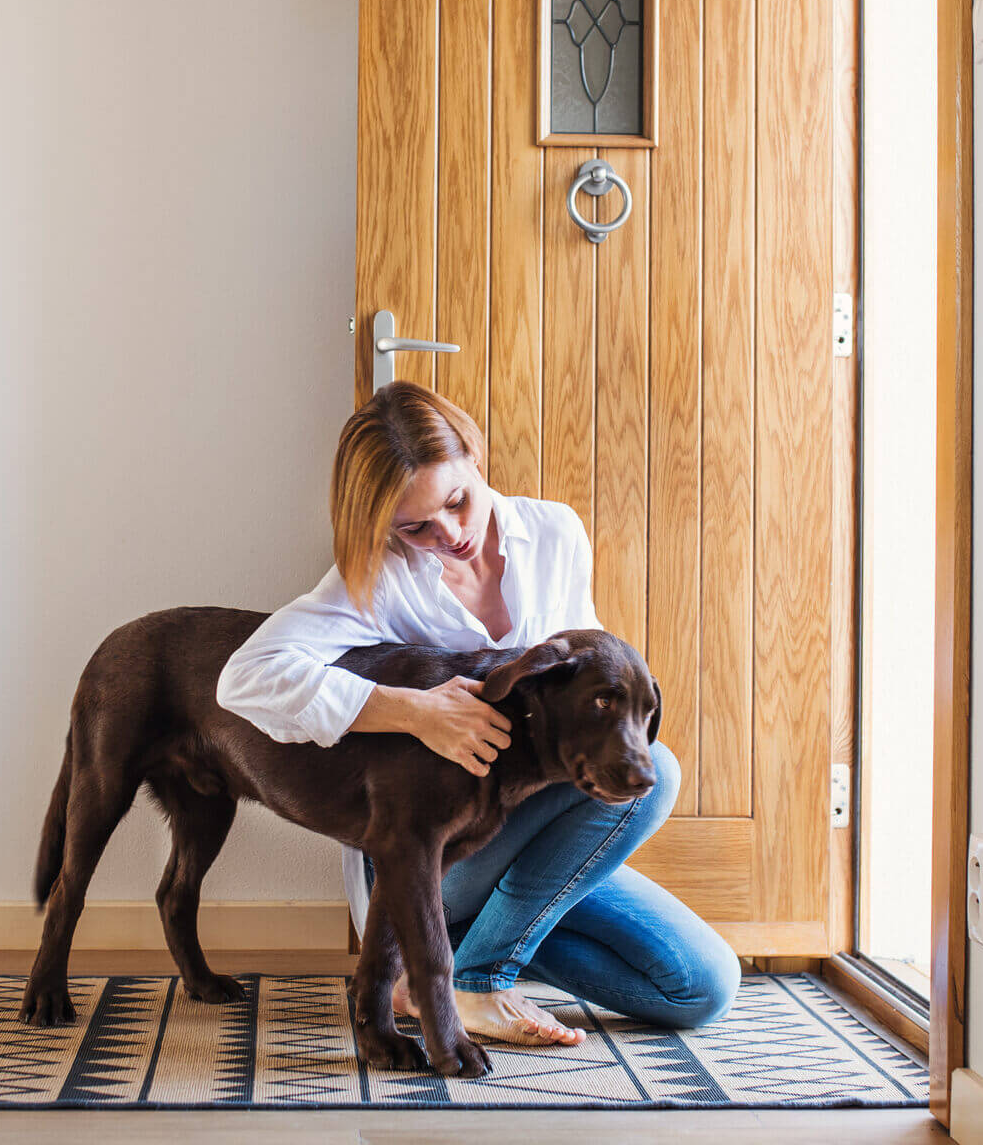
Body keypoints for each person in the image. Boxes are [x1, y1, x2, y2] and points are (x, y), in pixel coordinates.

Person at [215, 381, 740, 1045]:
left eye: (457, 501)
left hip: (532, 836)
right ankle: (477, 979)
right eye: (416, 527)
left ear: (474, 456)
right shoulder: (375, 575)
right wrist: (411, 710)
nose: (450, 533)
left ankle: (461, 947)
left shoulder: (553, 532)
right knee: (656, 774)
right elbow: (245, 678)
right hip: (427, 852)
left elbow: (590, 671)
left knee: (699, 989)